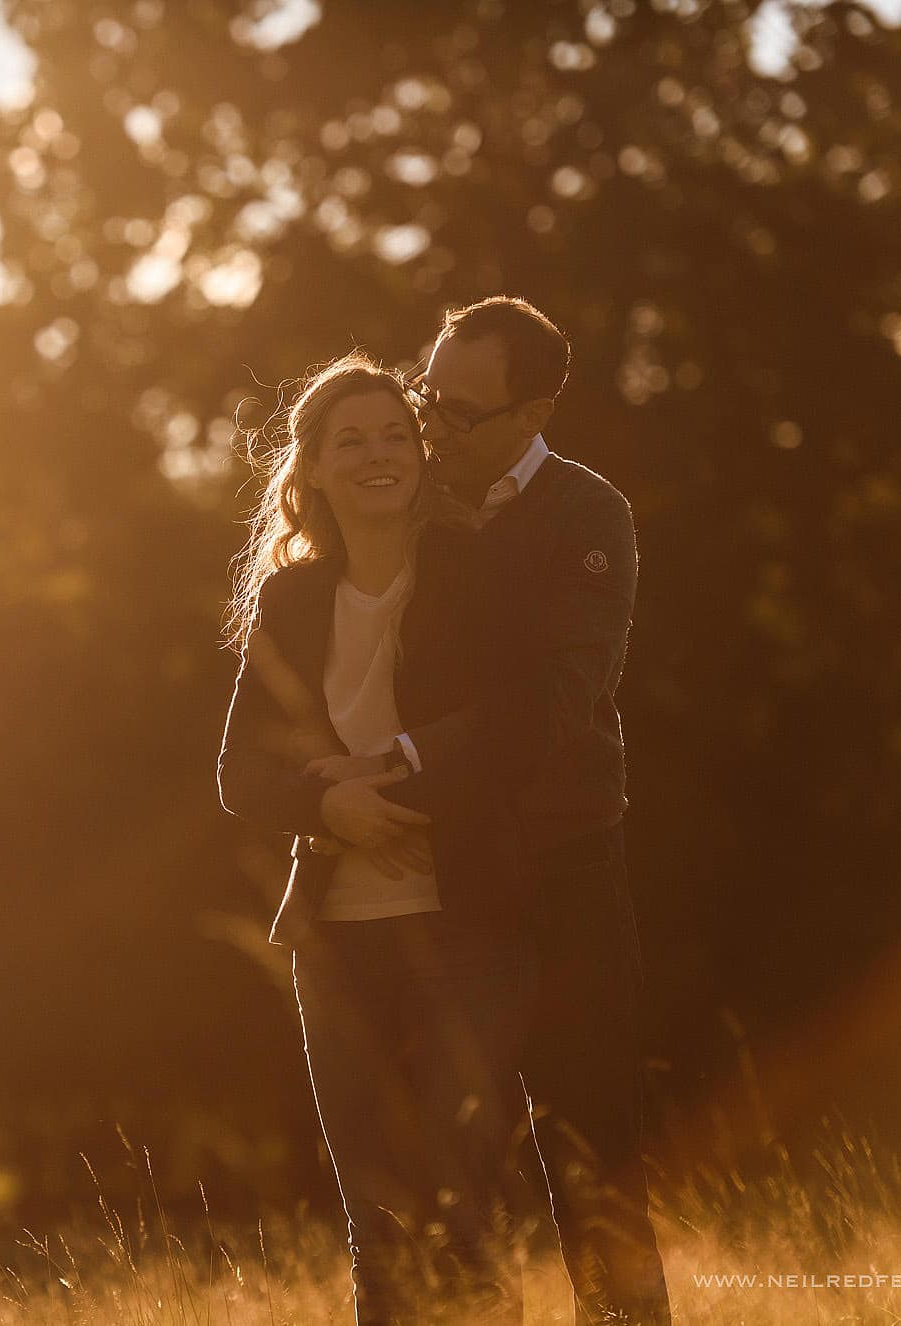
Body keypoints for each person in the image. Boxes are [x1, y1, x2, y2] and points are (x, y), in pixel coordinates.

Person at [320, 295, 672, 1324]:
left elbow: (559, 702)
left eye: (459, 411)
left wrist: (405, 764)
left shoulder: (586, 516)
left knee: (592, 1159)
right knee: (444, 1177)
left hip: (564, 876)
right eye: (425, 394)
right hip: (443, 878)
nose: (430, 424)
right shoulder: (409, 504)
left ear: (535, 412)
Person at [217, 351, 537, 1323]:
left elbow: (513, 725)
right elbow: (239, 775)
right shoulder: (290, 600)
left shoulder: (473, 569)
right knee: (376, 1216)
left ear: (420, 454)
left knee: (463, 1203)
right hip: (336, 941)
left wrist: (387, 780)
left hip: (466, 925)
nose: (377, 455)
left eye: (395, 435)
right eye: (350, 441)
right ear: (312, 467)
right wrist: (328, 809)